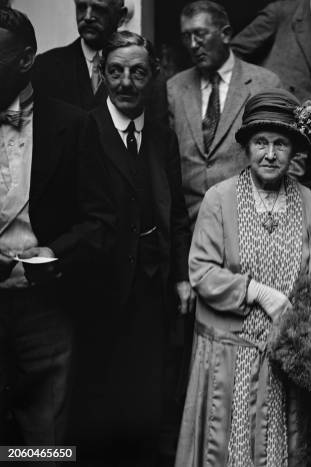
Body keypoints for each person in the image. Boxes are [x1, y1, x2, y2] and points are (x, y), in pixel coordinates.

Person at [174, 89, 311, 466]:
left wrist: (309, 316)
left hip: (282, 357)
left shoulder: (307, 201)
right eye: (261, 142)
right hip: (230, 357)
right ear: (246, 148)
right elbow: (202, 270)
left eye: (281, 144)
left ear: (294, 151)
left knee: (280, 448)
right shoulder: (219, 199)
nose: (270, 154)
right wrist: (261, 293)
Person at [75, 30, 192, 462]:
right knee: (102, 401)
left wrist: (181, 276)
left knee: (148, 399)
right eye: (116, 71)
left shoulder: (161, 135)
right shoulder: (83, 129)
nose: (126, 82)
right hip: (101, 288)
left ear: (154, 77)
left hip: (153, 287)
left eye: (137, 72)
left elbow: (177, 214)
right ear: (101, 73)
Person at [0, 6, 113, 446]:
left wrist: (50, 258)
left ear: (27, 59)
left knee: (43, 444)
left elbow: (102, 220)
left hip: (45, 308)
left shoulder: (72, 124)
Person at [167, 0, 281, 227]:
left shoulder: (265, 84)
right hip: (189, 228)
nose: (192, 44)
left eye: (200, 34)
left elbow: (289, 153)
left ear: (226, 34)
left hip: (251, 226)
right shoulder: (174, 88)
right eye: (186, 36)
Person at [231, 0, 311, 137]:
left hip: (308, 137)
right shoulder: (281, 12)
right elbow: (233, 57)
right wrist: (253, 98)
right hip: (262, 125)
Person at [31, 0, 126, 110]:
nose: (87, 17)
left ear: (120, 16)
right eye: (81, 7)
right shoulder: (45, 66)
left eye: (99, 9)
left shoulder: (137, 70)